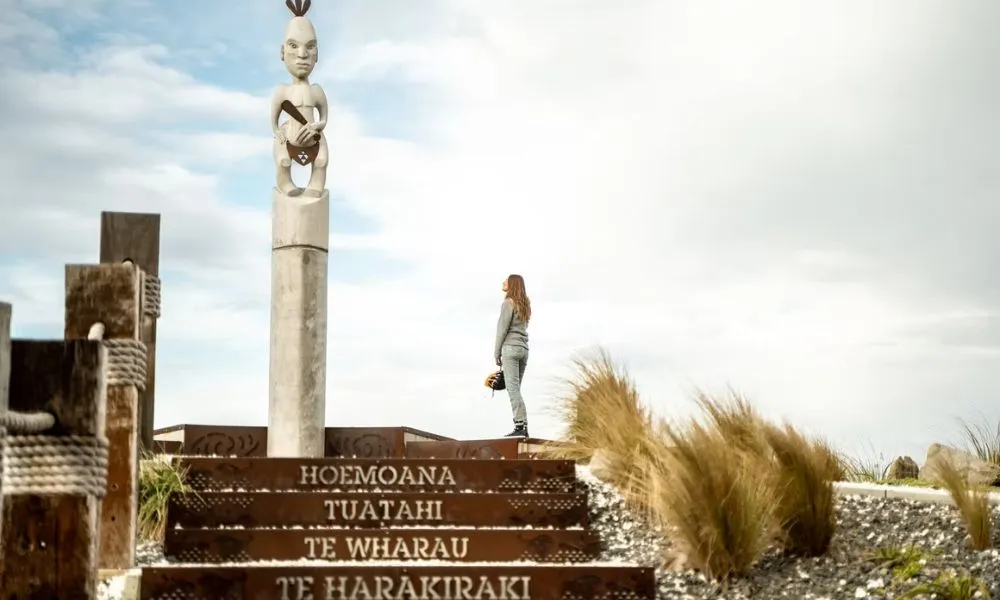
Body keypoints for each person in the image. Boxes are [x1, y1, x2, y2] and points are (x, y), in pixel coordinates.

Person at [494, 274, 531, 438]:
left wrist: (496, 352)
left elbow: (502, 329)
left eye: (506, 280)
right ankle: (524, 426)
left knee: (513, 390)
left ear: (512, 284)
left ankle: (519, 426)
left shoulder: (507, 303)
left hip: (510, 348)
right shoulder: (525, 306)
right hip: (524, 350)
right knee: (516, 390)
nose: (503, 282)